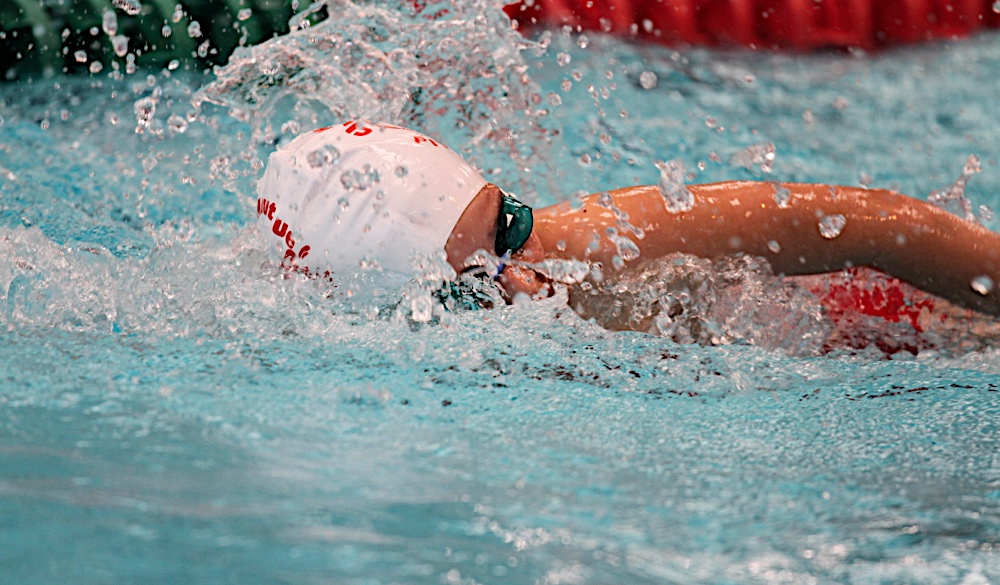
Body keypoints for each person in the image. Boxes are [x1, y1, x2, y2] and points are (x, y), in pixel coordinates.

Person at [256, 120, 1000, 334]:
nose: (525, 273)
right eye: (475, 288)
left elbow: (875, 225)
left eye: (508, 226)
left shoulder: (611, 241)